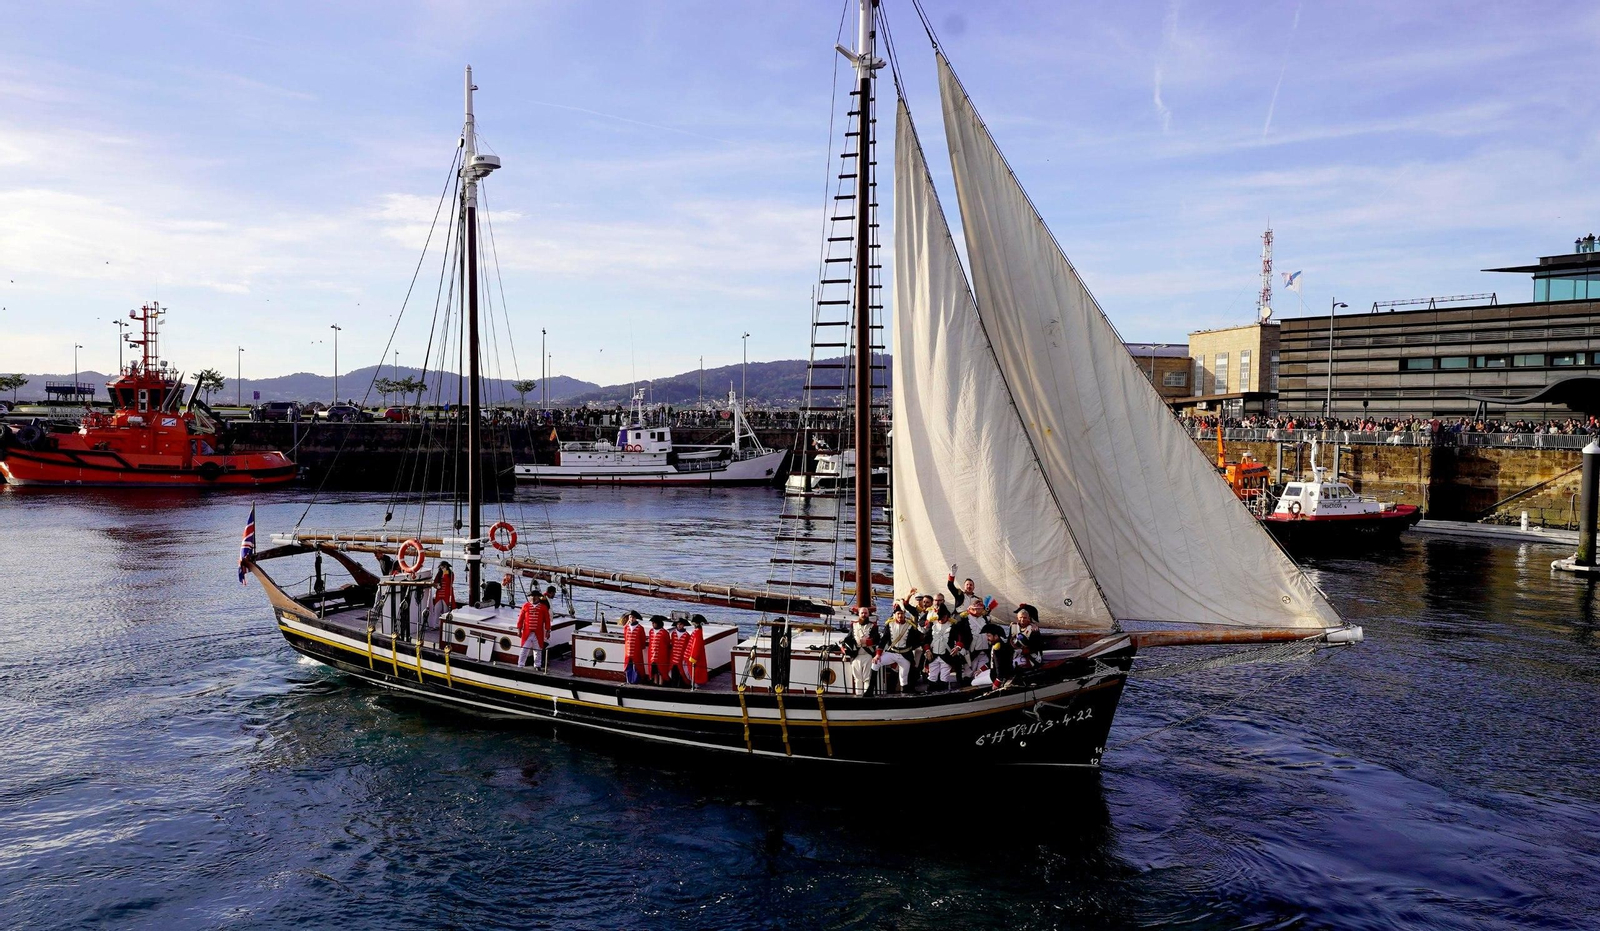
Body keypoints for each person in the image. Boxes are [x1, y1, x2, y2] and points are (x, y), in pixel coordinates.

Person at [923, 603, 971, 691]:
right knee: (932, 676)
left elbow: (961, 639)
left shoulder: (953, 626)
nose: (941, 619)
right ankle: (930, 692)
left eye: (943, 617)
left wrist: (957, 648)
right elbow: (926, 639)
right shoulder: (932, 624)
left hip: (946, 656)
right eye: (939, 617)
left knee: (944, 676)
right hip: (933, 656)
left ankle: (943, 693)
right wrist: (927, 651)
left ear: (947, 616)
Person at [873, 606, 920, 692]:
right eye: (898, 614)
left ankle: (905, 693)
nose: (900, 616)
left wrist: (910, 647)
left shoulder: (910, 626)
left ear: (904, 614)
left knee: (904, 677)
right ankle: (873, 690)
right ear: (894, 615)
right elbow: (884, 640)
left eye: (902, 613)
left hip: (906, 655)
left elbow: (918, 640)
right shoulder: (890, 625)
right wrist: (878, 654)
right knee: (878, 664)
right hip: (892, 653)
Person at [841, 607, 879, 696]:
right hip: (856, 655)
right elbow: (849, 638)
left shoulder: (873, 626)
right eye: (862, 613)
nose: (864, 615)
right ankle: (858, 696)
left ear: (868, 614)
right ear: (859, 614)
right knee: (857, 678)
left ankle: (867, 696)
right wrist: (844, 645)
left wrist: (868, 642)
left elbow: (877, 640)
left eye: (865, 613)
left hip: (868, 655)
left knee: (867, 678)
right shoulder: (853, 625)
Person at [516, 589, 552, 669]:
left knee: (538, 650)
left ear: (538, 597)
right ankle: (520, 665)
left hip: (538, 632)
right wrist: (519, 629)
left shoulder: (543, 607)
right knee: (524, 649)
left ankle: (537, 665)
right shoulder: (525, 606)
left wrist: (548, 630)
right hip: (527, 632)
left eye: (535, 596)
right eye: (532, 596)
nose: (533, 598)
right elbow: (520, 619)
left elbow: (547, 620)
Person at [975, 624, 1013, 690]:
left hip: (997, 677)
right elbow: (992, 662)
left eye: (989, 636)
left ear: (995, 636)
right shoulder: (996, 645)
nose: (987, 638)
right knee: (976, 676)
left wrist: (997, 682)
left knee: (973, 682)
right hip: (994, 673)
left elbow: (1000, 666)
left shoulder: (998, 648)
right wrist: (981, 670)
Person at [1012, 604, 1044, 670]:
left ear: (1029, 618)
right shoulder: (1013, 627)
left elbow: (1038, 645)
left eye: (1025, 618)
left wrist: (1026, 650)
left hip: (1031, 656)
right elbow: (1010, 641)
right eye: (1020, 617)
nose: (1022, 620)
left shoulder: (1033, 629)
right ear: (1017, 618)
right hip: (1017, 653)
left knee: (1015, 664)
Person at [645, 616, 673, 685]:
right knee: (654, 670)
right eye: (652, 623)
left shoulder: (664, 632)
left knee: (661, 670)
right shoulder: (651, 631)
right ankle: (655, 682)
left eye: (654, 623)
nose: (653, 624)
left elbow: (667, 643)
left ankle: (661, 683)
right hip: (652, 655)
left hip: (661, 655)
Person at [622, 612, 647, 684]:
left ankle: (636, 681)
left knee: (637, 667)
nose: (631, 619)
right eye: (630, 617)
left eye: (633, 617)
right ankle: (629, 681)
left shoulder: (640, 628)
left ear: (636, 618)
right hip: (628, 652)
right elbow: (625, 638)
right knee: (628, 666)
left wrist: (640, 648)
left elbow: (643, 640)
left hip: (636, 651)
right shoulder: (626, 627)